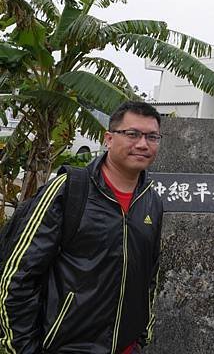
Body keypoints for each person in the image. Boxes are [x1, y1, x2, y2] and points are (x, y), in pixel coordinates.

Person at [0, 100, 164, 353]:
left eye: (152, 137)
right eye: (132, 134)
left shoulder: (151, 201)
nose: (143, 144)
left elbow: (149, 276)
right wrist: (22, 347)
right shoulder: (69, 190)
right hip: (66, 346)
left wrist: (143, 335)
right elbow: (17, 276)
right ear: (109, 139)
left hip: (126, 347)